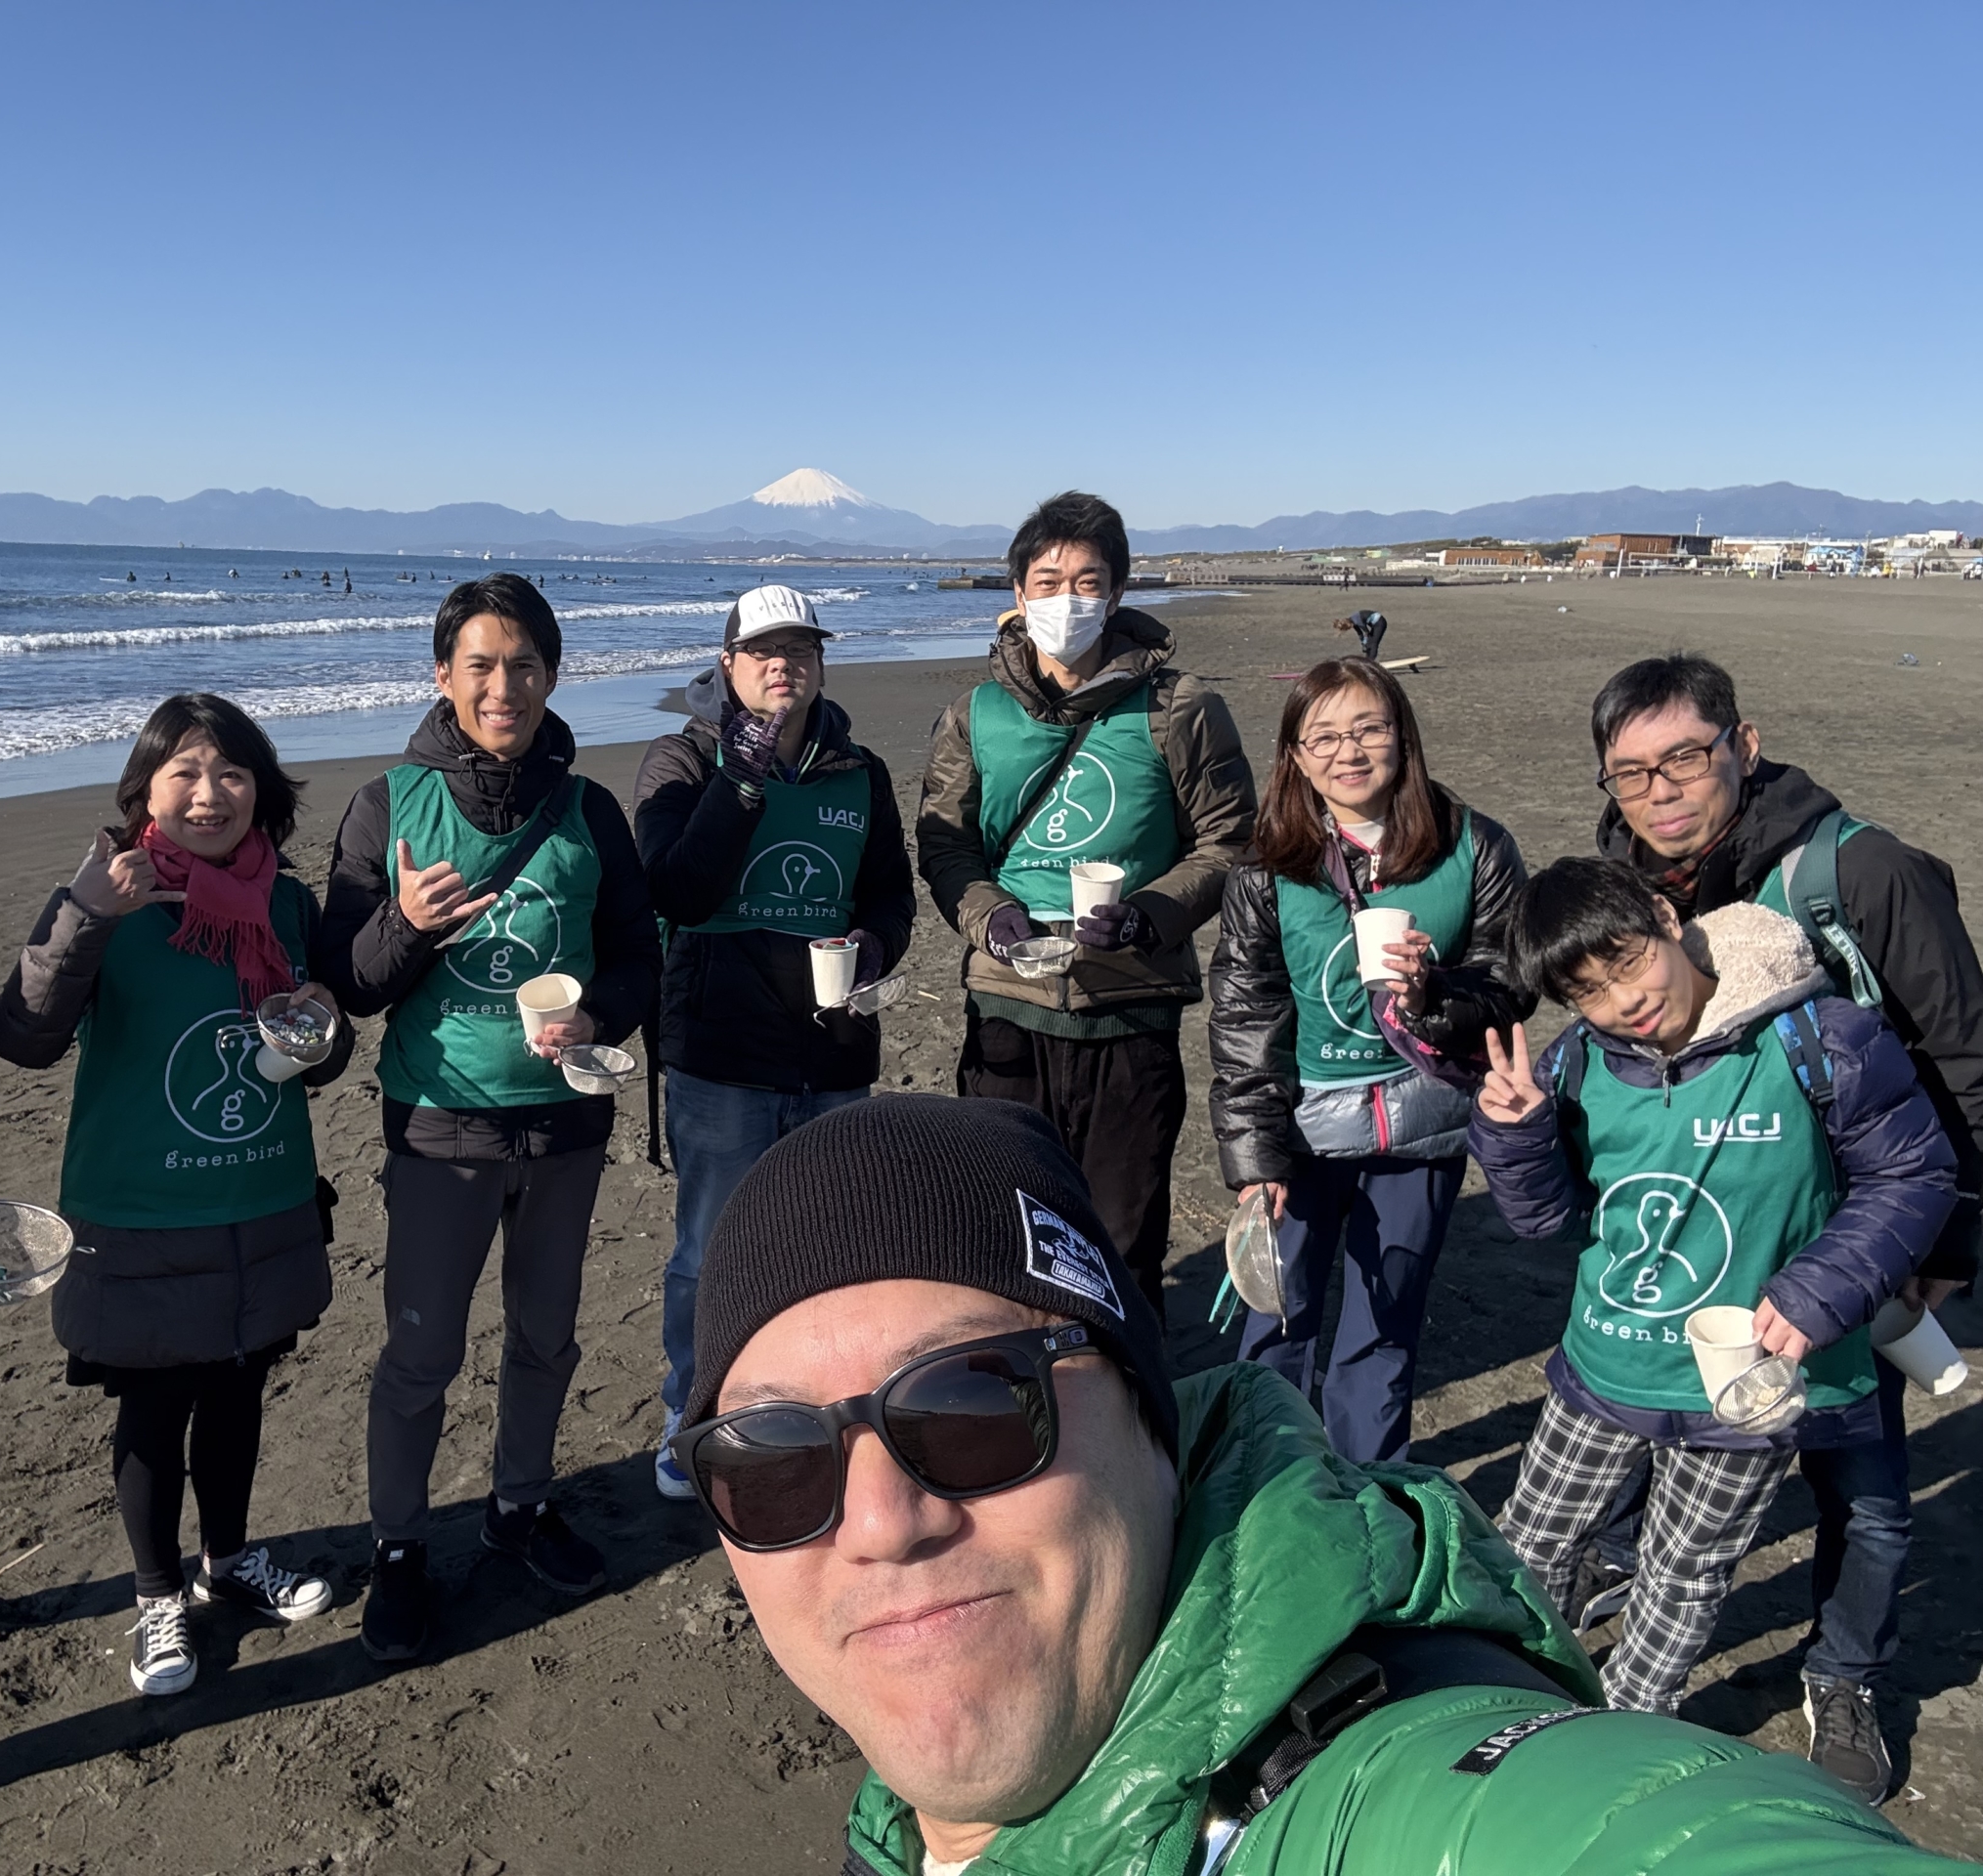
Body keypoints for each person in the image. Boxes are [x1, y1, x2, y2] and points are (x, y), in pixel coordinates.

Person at [669, 1094, 1958, 1872]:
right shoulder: (913, 1807)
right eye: (774, 1465)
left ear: (1144, 1409)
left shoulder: (1398, 1805)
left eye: (968, 1407)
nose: (883, 1522)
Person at [1584, 653, 1983, 1795]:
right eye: (1630, 774)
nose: (1660, 792)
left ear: (1741, 747)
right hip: (1705, 1214)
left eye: (1684, 760)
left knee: (1860, 1477)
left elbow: (1963, 1062)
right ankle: (1617, 1571)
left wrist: (1942, 1254)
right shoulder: (1628, 880)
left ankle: (1846, 1675)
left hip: (1853, 1232)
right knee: (1666, 1431)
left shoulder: (1861, 872)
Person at [1470, 858, 1956, 1719]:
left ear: (1664, 915)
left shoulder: (1818, 1037)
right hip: (1606, 1368)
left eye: (1626, 961)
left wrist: (1820, 1290)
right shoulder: (1580, 1061)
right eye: (1587, 990)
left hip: (1744, 1385)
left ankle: (1625, 1730)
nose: (1623, 1000)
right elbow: (1551, 1221)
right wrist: (1515, 1135)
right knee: (1529, 1544)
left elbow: (1912, 1174)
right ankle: (1499, 1697)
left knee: (1682, 1577)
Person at [319, 572, 661, 1663]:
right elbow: (351, 985)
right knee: (420, 1352)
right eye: (480, 664)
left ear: (553, 676)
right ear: (442, 677)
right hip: (440, 1123)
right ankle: (401, 1551)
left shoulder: (588, 809)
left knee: (546, 1337)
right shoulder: (388, 803)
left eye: (523, 664)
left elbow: (638, 956)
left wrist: (599, 1012)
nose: (502, 684)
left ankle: (519, 1508)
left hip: (564, 1122)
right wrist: (406, 925)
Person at [0, 694, 351, 1699]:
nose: (209, 793)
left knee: (237, 1390)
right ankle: (155, 1596)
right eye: (184, 771)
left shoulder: (286, 902)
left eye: (231, 772)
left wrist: (321, 1022)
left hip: (260, 1194)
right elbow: (20, 1037)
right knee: (152, 1407)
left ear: (262, 792)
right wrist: (87, 913)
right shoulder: (110, 897)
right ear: (144, 789)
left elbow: (315, 1057)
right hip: (139, 1205)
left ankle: (228, 1564)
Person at [917, 490, 1256, 1311]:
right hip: (1007, 1011)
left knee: (1121, 1238)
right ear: (1017, 596)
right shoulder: (976, 714)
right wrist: (987, 914)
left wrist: (1150, 913)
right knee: (1007, 1233)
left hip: (1128, 1011)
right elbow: (945, 842)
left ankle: (1124, 1416)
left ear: (1116, 593)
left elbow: (1231, 840)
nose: (1066, 599)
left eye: (1086, 580)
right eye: (1047, 580)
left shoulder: (1179, 708)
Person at [631, 584, 916, 1499]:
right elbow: (675, 890)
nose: (781, 663)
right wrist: (742, 777)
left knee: (829, 1242)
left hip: (832, 1047)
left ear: (823, 663)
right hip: (721, 1050)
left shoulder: (857, 771)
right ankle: (695, 1407)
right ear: (728, 666)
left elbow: (889, 895)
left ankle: (813, 1402)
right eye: (761, 650)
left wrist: (874, 945)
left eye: (799, 648)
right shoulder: (678, 762)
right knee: (708, 1248)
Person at [1207, 657, 1530, 1463]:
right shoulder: (1266, 864)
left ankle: (1367, 1492)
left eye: (1368, 729)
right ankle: (1263, 1483)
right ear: (1295, 756)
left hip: (1422, 1125)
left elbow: (1512, 982)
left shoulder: (1475, 844)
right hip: (1304, 1131)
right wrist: (1255, 1156)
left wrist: (1431, 998)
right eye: (1324, 737)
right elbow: (1246, 1013)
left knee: (1383, 1330)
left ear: (1403, 737)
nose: (1348, 752)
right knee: (1277, 1315)